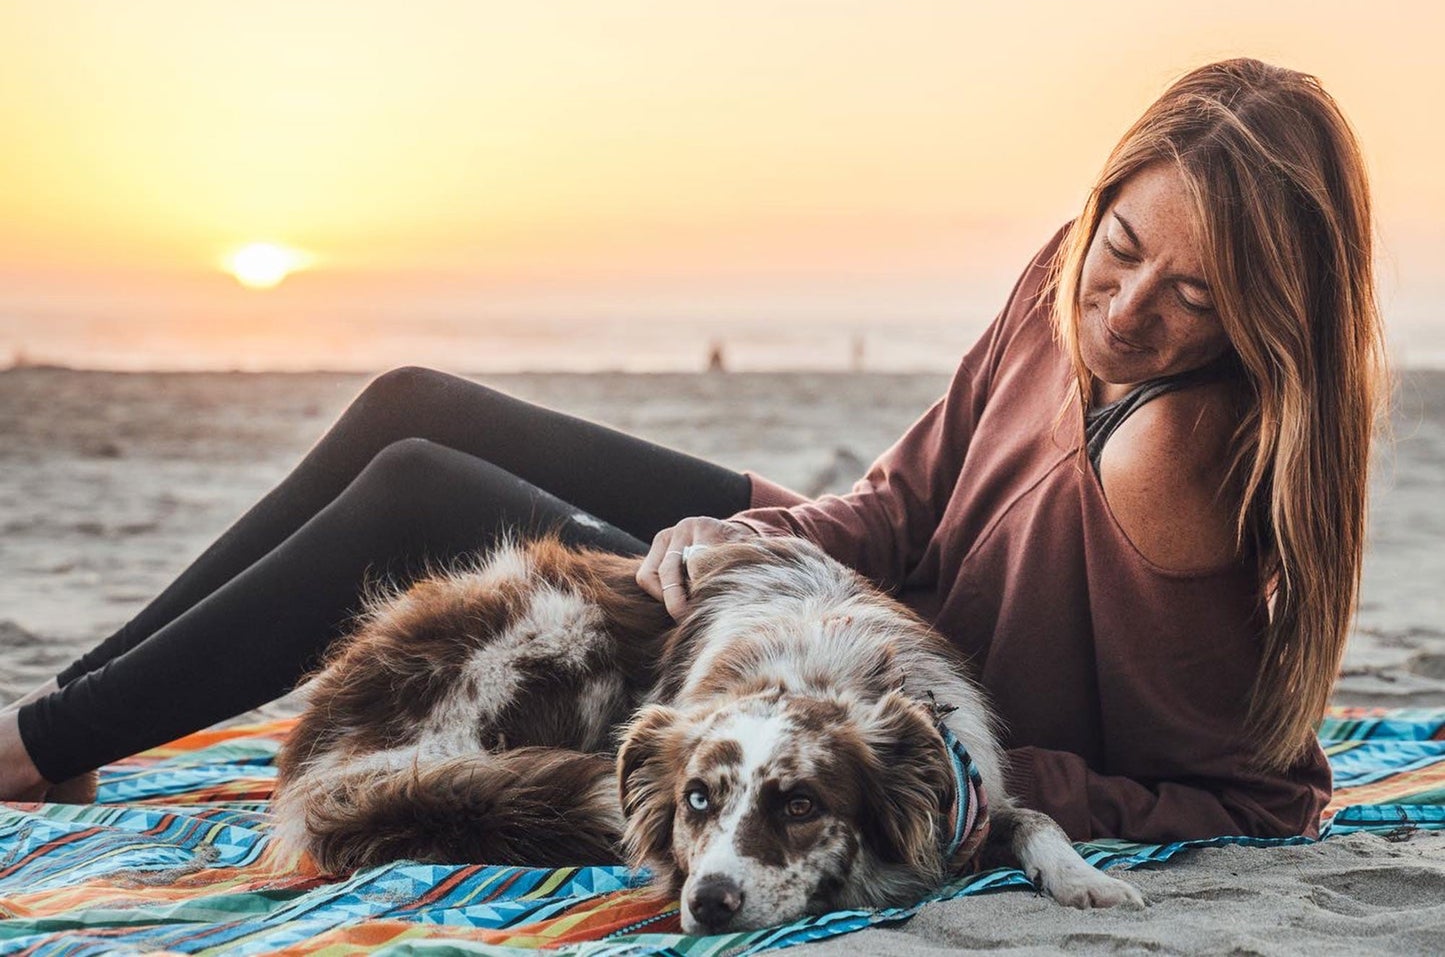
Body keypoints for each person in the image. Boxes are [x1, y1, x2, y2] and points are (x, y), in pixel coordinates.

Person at [1, 58, 1384, 846]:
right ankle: (79, 712)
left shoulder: (1180, 453)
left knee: (422, 490)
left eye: (1192, 294)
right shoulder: (1064, 270)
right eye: (1125, 249)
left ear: (1266, 314)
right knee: (416, 398)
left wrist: (952, 776)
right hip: (851, 589)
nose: (1127, 307)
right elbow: (902, 503)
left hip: (885, 673)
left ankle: (39, 738)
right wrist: (761, 540)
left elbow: (1249, 796)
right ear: (1102, 207)